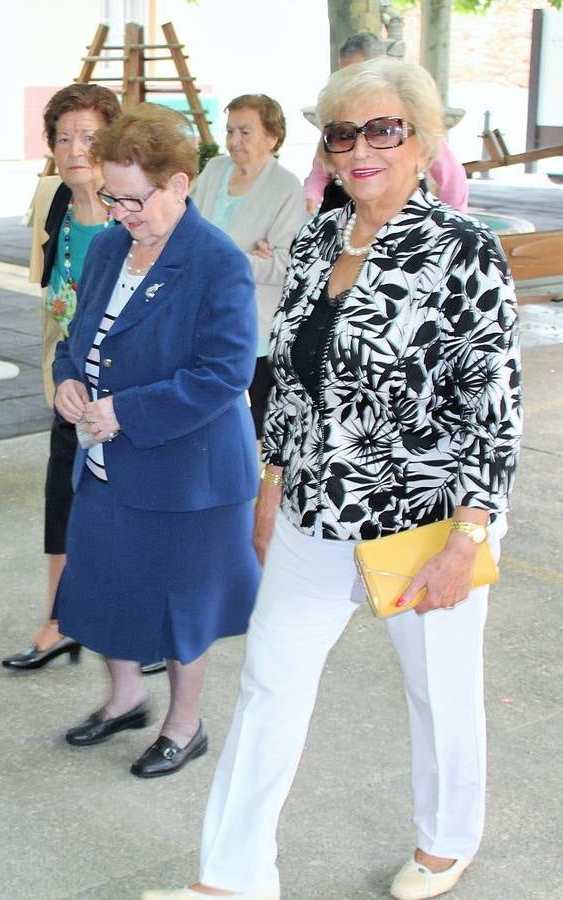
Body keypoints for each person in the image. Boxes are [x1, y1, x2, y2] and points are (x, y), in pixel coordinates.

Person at [144, 59, 521, 900]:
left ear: (421, 141)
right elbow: (288, 376)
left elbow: (493, 408)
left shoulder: (462, 251)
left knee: (439, 693)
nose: (360, 150)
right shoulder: (319, 235)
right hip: (315, 510)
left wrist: (468, 536)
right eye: (343, 133)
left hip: (420, 519)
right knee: (270, 686)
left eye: (383, 129)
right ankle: (232, 878)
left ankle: (445, 843)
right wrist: (270, 484)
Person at [52, 106, 261, 778]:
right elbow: (78, 338)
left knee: (182, 605)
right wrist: (66, 383)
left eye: (135, 199)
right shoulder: (112, 244)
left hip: (188, 472)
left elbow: (225, 373)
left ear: (178, 185)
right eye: (112, 197)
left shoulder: (216, 262)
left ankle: (184, 723)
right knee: (107, 585)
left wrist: (126, 412)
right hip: (108, 459)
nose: (120, 213)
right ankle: (125, 698)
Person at [2, 84, 120, 671]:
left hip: (125, 390)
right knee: (62, 501)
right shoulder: (53, 201)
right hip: (67, 384)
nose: (76, 149)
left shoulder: (134, 208)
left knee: (127, 509)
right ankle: (58, 621)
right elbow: (50, 286)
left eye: (90, 137)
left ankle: (135, 624)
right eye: (64, 137)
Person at [190, 94, 306, 438]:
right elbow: (185, 230)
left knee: (248, 434)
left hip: (251, 329)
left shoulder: (286, 187)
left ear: (273, 137)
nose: (234, 141)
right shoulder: (214, 170)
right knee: (202, 422)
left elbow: (286, 264)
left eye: (245, 132)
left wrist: (225, 257)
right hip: (200, 320)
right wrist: (247, 255)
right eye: (230, 132)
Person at [304, 32, 469, 215]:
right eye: (346, 74)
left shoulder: (409, 118)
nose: (359, 151)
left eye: (383, 133)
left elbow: (452, 178)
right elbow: (319, 171)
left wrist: (453, 222)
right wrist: (310, 196)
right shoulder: (318, 234)